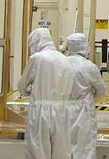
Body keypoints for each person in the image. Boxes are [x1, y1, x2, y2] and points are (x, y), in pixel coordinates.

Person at [18, 28, 75, 159]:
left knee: (38, 151)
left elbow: (22, 85)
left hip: (40, 112)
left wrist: (31, 91)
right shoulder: (64, 59)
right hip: (62, 112)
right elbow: (70, 85)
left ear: (36, 42)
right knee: (61, 152)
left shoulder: (37, 58)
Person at [65, 33, 107, 159]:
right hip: (83, 111)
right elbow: (101, 90)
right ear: (83, 46)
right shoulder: (89, 66)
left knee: (64, 147)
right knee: (84, 149)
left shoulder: (60, 64)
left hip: (62, 110)